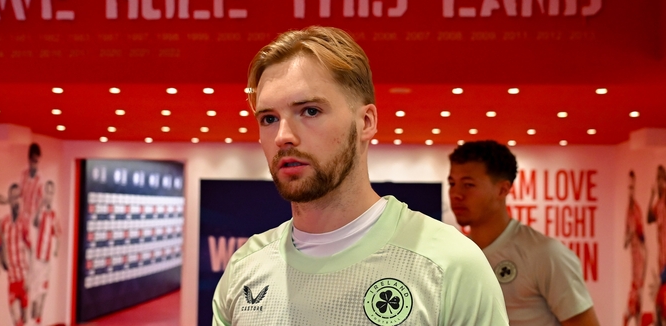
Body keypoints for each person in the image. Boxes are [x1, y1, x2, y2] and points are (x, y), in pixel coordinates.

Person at [212, 26, 508, 325]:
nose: (283, 136)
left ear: (366, 122)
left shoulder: (450, 265)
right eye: (269, 118)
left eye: (310, 111)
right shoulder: (245, 268)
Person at [447, 140, 599, 326]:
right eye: (452, 183)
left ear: (503, 189)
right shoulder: (457, 254)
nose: (455, 194)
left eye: (468, 185)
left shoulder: (545, 253)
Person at [29, 180, 61, 325]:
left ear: (53, 194)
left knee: (43, 292)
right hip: (37, 260)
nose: (49, 194)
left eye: (51, 191)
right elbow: (35, 222)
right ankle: (34, 315)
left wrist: (56, 251)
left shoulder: (54, 215)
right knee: (35, 294)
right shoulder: (41, 213)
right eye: (46, 191)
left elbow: (58, 234)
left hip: (46, 262)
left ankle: (39, 320)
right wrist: (40, 206)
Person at [0, 183, 31, 326]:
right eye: (13, 197)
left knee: (25, 320)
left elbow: (31, 249)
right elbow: (0, 248)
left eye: (18, 197)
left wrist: (30, 277)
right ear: (10, 199)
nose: (16, 200)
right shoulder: (4, 223)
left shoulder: (24, 222)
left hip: (24, 279)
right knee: (16, 321)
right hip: (12, 281)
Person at [625, 171, 646, 326]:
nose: (630, 191)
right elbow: (625, 241)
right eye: (628, 188)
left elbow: (644, 246)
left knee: (631, 312)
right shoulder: (628, 210)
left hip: (638, 268)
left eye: (632, 187)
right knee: (630, 314)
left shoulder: (637, 211)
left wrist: (642, 277)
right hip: (633, 268)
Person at [647, 165, 666, 325]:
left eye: (662, 178)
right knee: (658, 304)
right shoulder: (658, 203)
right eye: (658, 178)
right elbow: (649, 218)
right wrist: (652, 195)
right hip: (661, 262)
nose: (659, 182)